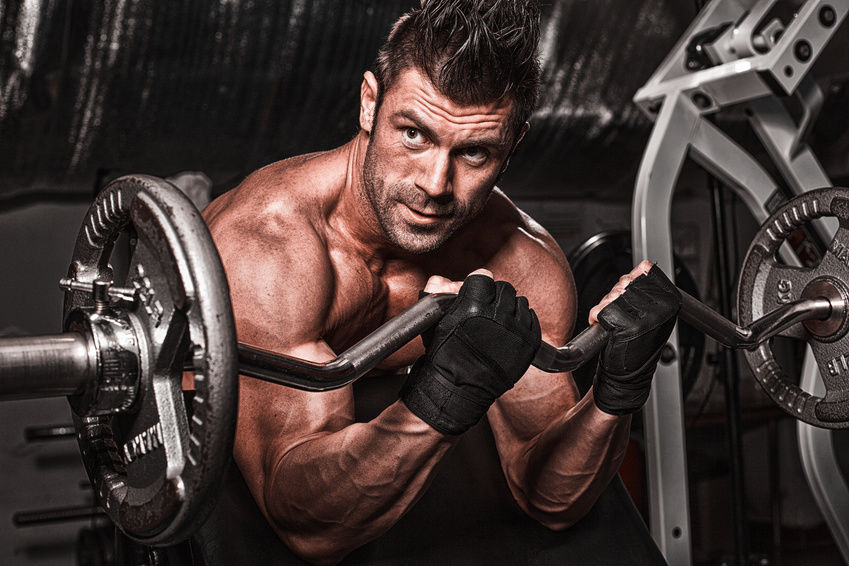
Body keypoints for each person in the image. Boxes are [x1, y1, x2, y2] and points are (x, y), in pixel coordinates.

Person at [198, 1, 681, 564]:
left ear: (513, 146)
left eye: (474, 152)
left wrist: (617, 392)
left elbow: (552, 500)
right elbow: (308, 529)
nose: (435, 184)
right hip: (231, 475)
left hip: (392, 475)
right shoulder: (270, 248)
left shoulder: (521, 261)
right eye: (413, 134)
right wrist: (446, 392)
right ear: (369, 103)